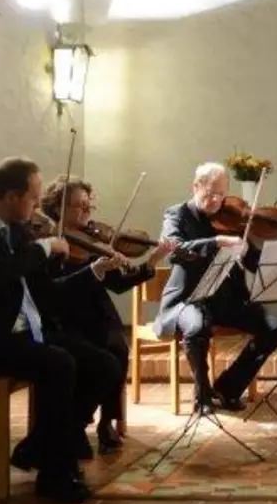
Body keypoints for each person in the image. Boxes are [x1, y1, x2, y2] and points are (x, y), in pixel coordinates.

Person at [0, 157, 94, 503]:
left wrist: (53, 259)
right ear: (10, 196)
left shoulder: (16, 230)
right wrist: (40, 249)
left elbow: (38, 286)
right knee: (59, 364)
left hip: (21, 336)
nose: (38, 206)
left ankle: (39, 448)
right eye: (33, 198)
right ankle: (55, 475)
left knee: (97, 362)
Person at [39, 176, 181, 454]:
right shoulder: (50, 243)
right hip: (67, 318)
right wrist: (93, 269)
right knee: (98, 353)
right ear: (58, 208)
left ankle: (106, 421)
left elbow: (117, 285)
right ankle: (76, 424)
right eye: (79, 207)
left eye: (88, 206)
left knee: (117, 346)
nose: (86, 213)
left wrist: (151, 261)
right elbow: (54, 292)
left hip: (97, 313)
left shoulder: (95, 241)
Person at [154, 162, 277, 414]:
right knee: (197, 324)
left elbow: (255, 264)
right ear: (195, 186)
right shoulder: (177, 214)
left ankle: (228, 387)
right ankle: (202, 396)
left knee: (275, 327)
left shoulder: (232, 221)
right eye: (210, 193)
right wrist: (216, 241)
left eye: (222, 194)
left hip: (226, 301)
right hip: (188, 299)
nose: (217, 200)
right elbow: (176, 250)